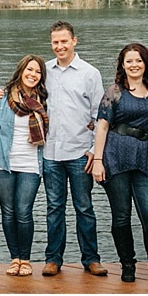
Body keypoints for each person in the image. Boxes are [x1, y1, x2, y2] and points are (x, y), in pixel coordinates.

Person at [89, 41, 148, 286]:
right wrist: (98, 160)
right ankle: (127, 265)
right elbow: (102, 127)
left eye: (138, 60)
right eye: (129, 61)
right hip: (115, 156)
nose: (134, 64)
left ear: (146, 63)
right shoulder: (115, 91)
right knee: (121, 215)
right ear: (122, 65)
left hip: (144, 158)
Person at [42, 20, 107, 275]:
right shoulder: (44, 71)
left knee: (84, 207)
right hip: (50, 153)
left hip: (81, 152)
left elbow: (100, 115)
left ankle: (91, 258)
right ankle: (53, 259)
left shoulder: (89, 73)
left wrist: (94, 150)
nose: (59, 46)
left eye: (64, 41)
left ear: (74, 41)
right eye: (55, 42)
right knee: (54, 208)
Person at [0, 54, 49, 275]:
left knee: (24, 211)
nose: (32, 75)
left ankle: (26, 259)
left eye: (37, 72)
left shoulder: (44, 100)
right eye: (29, 70)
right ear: (21, 71)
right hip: (4, 164)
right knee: (8, 211)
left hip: (31, 164)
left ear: (41, 77)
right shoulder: (3, 99)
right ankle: (14, 258)